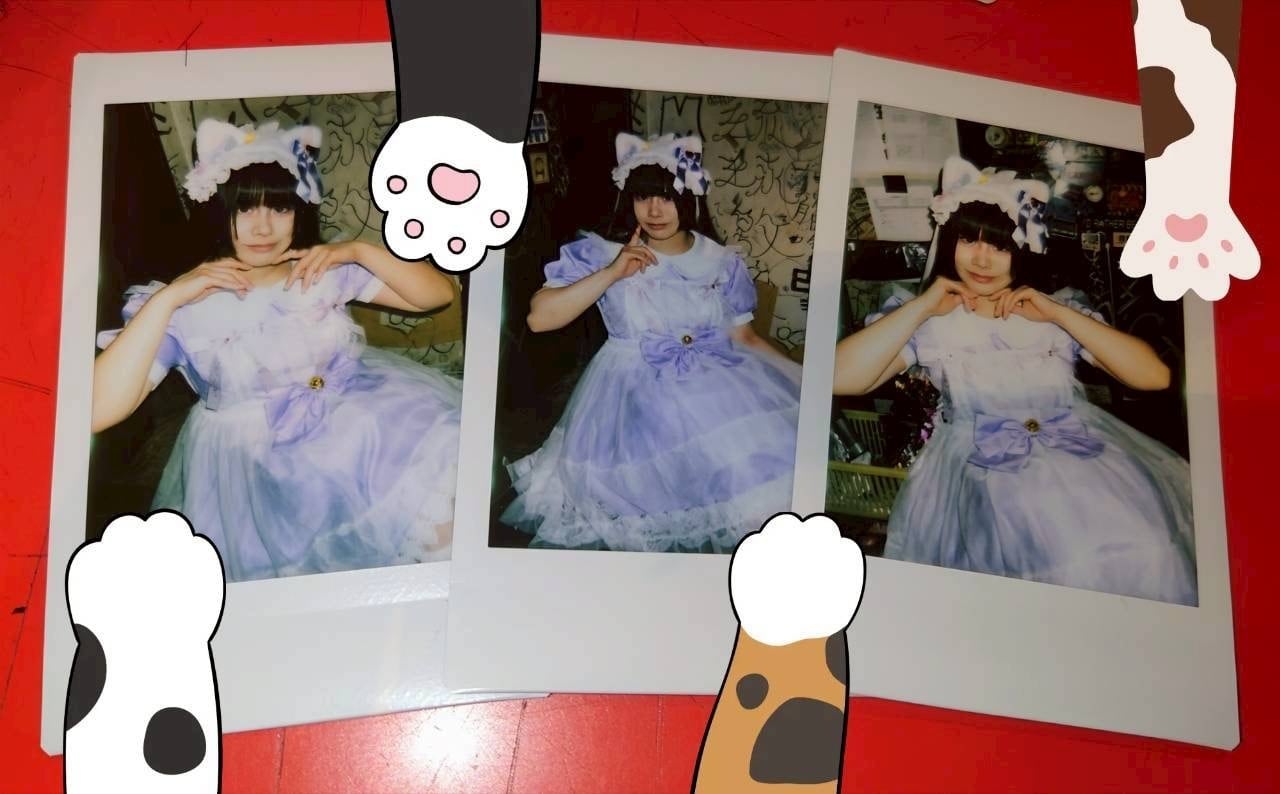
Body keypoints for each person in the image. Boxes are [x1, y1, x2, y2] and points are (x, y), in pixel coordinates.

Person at [93, 118, 463, 582]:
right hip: (252, 468)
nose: (263, 226)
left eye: (280, 208)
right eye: (245, 208)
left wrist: (358, 251)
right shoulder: (184, 306)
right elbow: (95, 412)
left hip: (356, 430)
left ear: (300, 211)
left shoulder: (319, 271)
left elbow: (437, 296)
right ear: (217, 209)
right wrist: (168, 299)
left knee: (434, 521)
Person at [832, 155, 1197, 605]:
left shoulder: (1054, 311)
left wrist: (1059, 313)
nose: (982, 258)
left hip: (1083, 462)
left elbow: (1154, 376)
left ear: (1024, 248)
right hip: (980, 467)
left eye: (1000, 245)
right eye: (968, 239)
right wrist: (922, 306)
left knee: (1141, 549)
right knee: (1030, 557)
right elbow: (840, 378)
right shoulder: (935, 321)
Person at [500, 132, 803, 553]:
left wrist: (803, 381)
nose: (654, 210)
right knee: (641, 517)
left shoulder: (720, 261)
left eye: (667, 197)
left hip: (717, 399)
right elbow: (540, 319)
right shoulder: (601, 253)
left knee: (750, 496)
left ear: (690, 198)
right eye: (642, 197)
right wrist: (612, 272)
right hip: (629, 403)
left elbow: (744, 337)